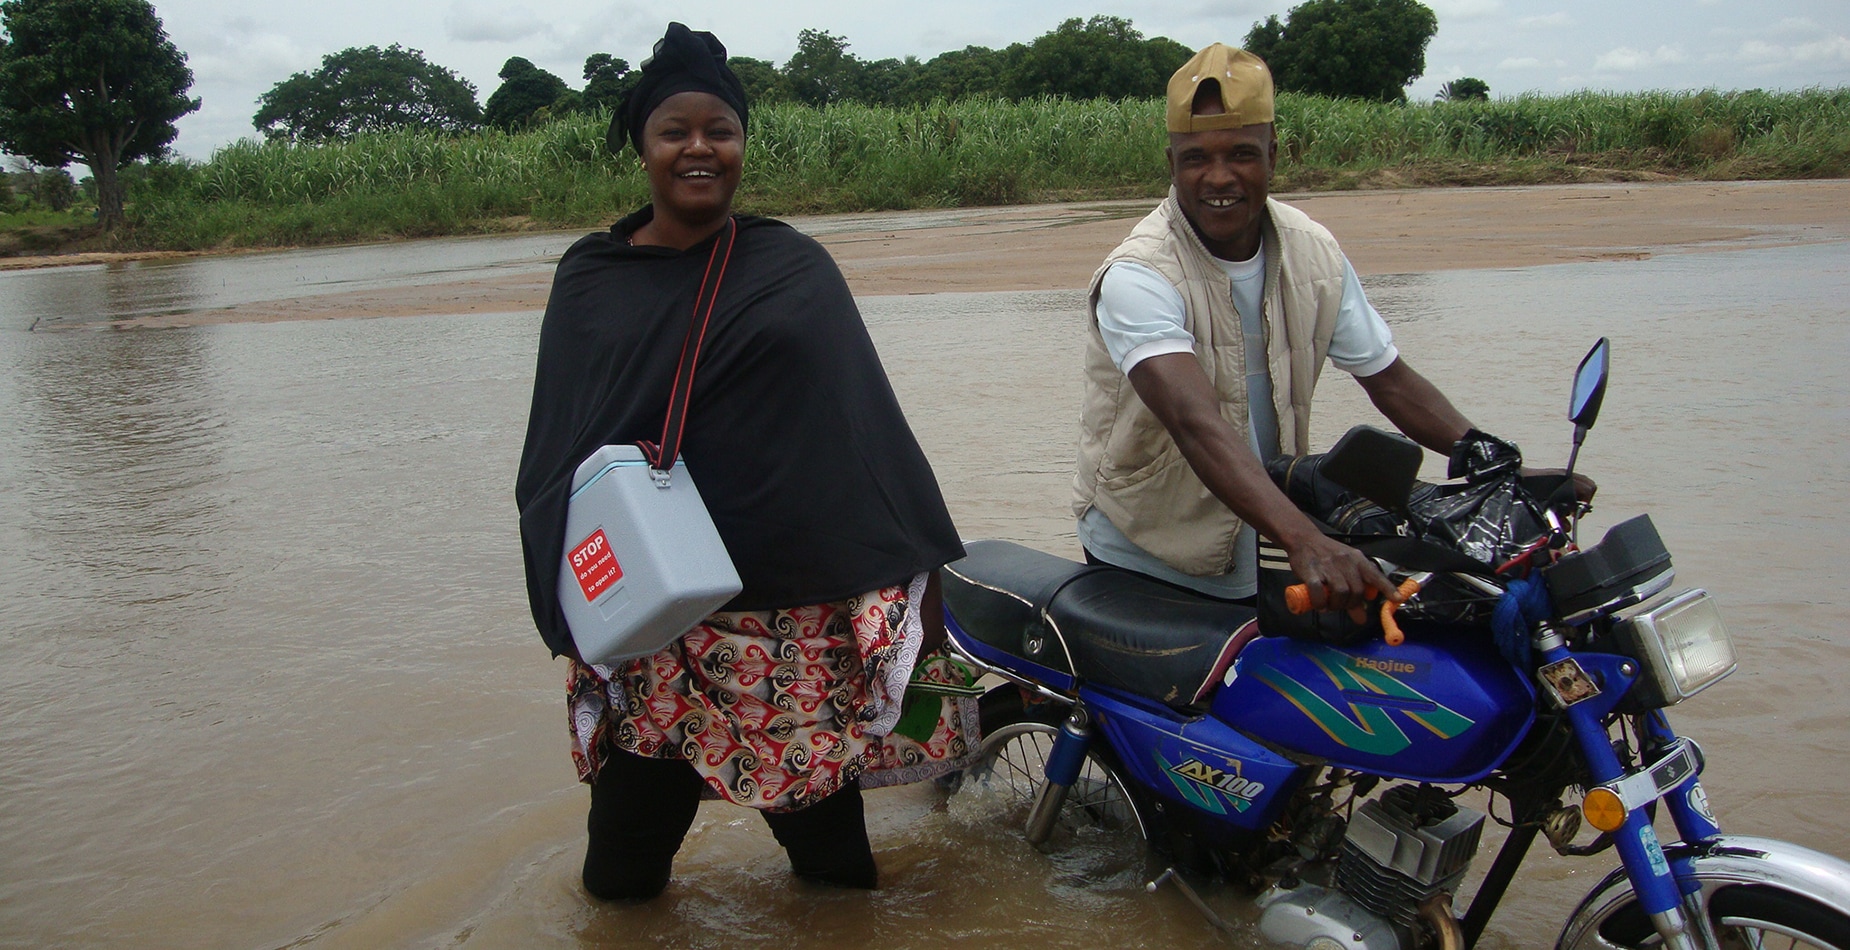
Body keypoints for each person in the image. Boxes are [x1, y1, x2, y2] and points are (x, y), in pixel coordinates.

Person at [514, 23, 972, 901]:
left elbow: (864, 431)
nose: (698, 149)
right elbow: (557, 451)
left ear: (742, 143)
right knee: (621, 871)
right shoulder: (590, 278)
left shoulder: (792, 267)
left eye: (718, 131)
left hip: (785, 630)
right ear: (642, 148)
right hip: (651, 623)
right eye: (674, 131)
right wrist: (568, 599)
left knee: (834, 871)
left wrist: (921, 584)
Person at [1074, 43, 1586, 610]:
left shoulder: (1311, 252)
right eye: (1196, 158)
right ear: (1172, 164)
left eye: (1241, 153)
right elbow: (1196, 424)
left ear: (1275, 153)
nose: (1218, 177)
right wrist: (1306, 540)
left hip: (1268, 536)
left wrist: (1491, 459)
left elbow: (1388, 378)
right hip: (1152, 550)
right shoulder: (1138, 274)